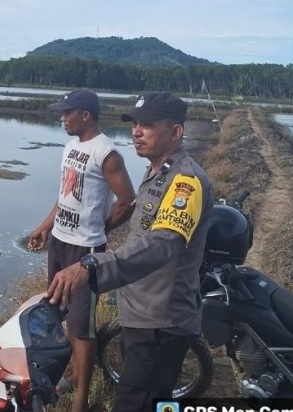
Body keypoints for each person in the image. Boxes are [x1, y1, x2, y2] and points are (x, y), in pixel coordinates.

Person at [46, 92, 215, 412]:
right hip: (142, 315)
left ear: (175, 132)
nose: (136, 131)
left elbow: (161, 245)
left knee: (136, 401)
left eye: (147, 125)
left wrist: (91, 266)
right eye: (134, 124)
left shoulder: (185, 181)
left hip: (161, 322)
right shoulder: (158, 172)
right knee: (153, 399)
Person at [28, 88, 135, 412]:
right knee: (59, 311)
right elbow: (65, 197)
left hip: (84, 251)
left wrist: (101, 229)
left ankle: (81, 401)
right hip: (60, 242)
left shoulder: (106, 152)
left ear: (85, 115)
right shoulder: (71, 147)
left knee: (81, 324)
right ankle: (74, 373)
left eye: (67, 112)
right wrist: (45, 227)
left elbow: (127, 200)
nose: (62, 118)